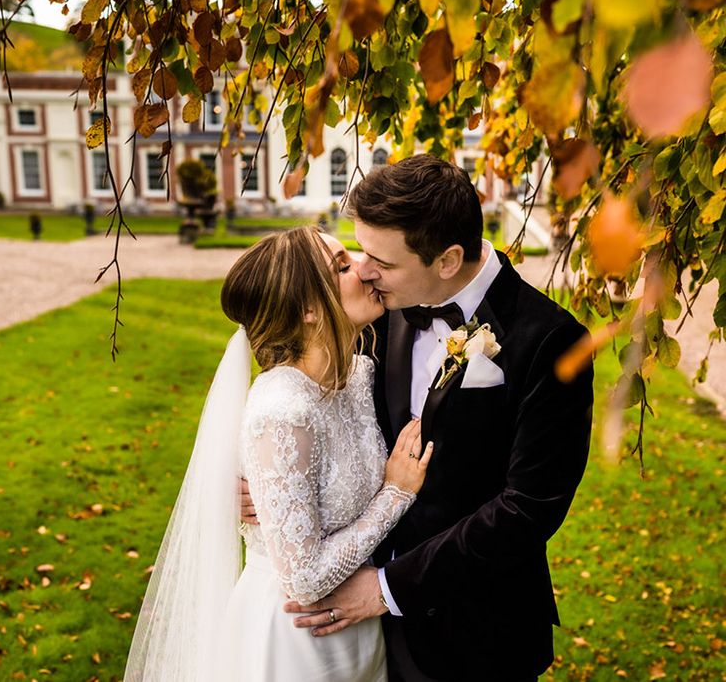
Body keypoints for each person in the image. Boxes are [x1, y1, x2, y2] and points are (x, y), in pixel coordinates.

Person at [280, 155, 594, 681]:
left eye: (382, 259)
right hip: (361, 634)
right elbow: (326, 408)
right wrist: (280, 477)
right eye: (361, 251)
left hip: (479, 634)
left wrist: (386, 589)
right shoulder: (380, 307)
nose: (361, 270)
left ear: (448, 260)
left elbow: (528, 508)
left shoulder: (550, 340)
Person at [124, 226, 433, 682]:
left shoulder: (357, 376)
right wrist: (395, 494)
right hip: (297, 640)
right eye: (343, 266)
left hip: (360, 633)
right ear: (309, 309)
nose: (365, 270)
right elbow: (304, 579)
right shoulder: (282, 411)